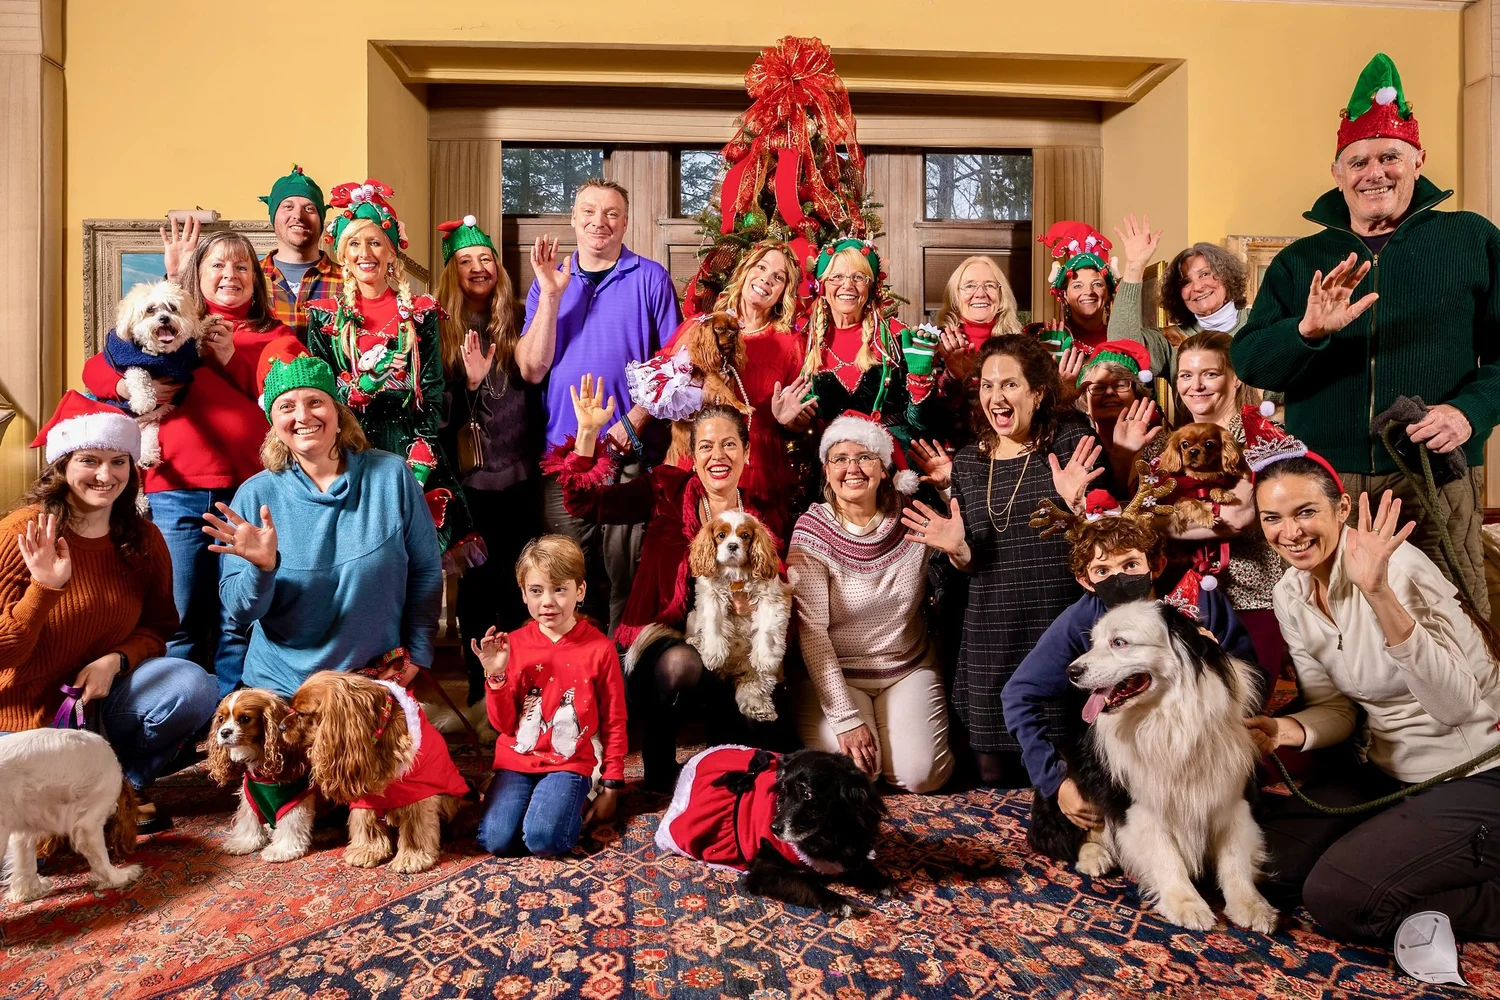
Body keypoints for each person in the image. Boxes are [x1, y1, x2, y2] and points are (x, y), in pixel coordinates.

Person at [1231, 53, 1500, 618]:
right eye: (1358, 161)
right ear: (1337, 172)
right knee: (1334, 627)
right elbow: (1251, 362)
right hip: (1324, 485)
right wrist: (1306, 332)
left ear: (1418, 160)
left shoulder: (1472, 240)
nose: (1374, 172)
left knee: (1451, 624)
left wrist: (1469, 412)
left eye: (1389, 156)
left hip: (1433, 476)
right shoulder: (1300, 261)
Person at [1241, 409, 1500, 944]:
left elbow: (1457, 707)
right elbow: (1337, 707)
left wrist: (1378, 594)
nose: (1290, 532)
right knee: (1260, 866)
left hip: (1474, 771)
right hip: (1389, 771)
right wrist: (1283, 730)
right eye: (1272, 518)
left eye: (1306, 512)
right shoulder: (1290, 592)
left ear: (1341, 509)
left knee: (1342, 899)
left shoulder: (1397, 568)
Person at [0, 392, 217, 831]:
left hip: (101, 705)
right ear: (62, 465)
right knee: (21, 851)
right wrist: (44, 588)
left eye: (118, 461)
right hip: (19, 718)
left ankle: (120, 789)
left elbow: (158, 628)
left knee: (194, 686)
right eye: (89, 461)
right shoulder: (20, 532)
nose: (106, 475)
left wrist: (115, 660)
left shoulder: (144, 539)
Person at [548, 377, 776, 789]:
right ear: (693, 454)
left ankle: (721, 766)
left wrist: (754, 607)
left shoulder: (760, 516)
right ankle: (659, 763)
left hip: (733, 643)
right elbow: (585, 504)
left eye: (729, 444)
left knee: (757, 722)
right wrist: (586, 436)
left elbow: (778, 588)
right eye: (706, 446)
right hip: (660, 640)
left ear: (746, 452)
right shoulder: (665, 488)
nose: (718, 455)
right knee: (681, 663)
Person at [900, 335, 1104, 787]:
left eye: (1010, 384)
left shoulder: (1071, 442)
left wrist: (1079, 507)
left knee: (1066, 767)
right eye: (988, 386)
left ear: (1038, 392)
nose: (997, 397)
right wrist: (957, 550)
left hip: (1058, 620)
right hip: (991, 626)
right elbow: (972, 560)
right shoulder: (969, 462)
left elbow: (1106, 539)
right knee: (992, 772)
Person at [1002, 487, 1255, 835]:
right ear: (1085, 580)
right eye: (1102, 570)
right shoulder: (1080, 619)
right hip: (1130, 752)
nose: (1118, 578)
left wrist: (1218, 660)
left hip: (1205, 745)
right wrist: (1054, 782)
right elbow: (1018, 694)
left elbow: (1252, 675)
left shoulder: (1200, 599)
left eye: (1130, 564)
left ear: (1156, 566)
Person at [81, 242, 269, 696]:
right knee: (179, 613)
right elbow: (95, 370)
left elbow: (287, 394)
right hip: (174, 487)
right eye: (217, 265)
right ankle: (182, 712)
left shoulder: (273, 335)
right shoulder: (177, 329)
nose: (230, 274)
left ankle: (236, 715)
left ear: (256, 279)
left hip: (246, 489)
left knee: (236, 618)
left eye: (241, 266)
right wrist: (124, 387)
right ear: (197, 279)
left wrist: (231, 357)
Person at [207, 340, 443, 697]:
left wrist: (418, 655)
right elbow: (241, 612)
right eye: (287, 406)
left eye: (315, 402)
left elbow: (425, 570)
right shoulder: (255, 496)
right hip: (282, 688)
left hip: (373, 680)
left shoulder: (391, 476)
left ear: (338, 411)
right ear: (273, 421)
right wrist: (262, 568)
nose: (303, 417)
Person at [517, 179, 681, 631]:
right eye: (588, 211)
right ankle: (573, 669)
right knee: (564, 577)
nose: (599, 221)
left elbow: (676, 364)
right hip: (564, 456)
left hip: (629, 453)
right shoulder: (548, 283)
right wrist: (551, 294)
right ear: (573, 218)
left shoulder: (650, 278)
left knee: (626, 578)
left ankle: (621, 666)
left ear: (625, 223)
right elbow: (531, 369)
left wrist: (635, 420)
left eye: (611, 213)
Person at [304, 178, 480, 566]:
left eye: (375, 242)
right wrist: (364, 385)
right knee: (357, 560)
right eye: (354, 243)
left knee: (415, 562)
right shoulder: (325, 317)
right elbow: (321, 391)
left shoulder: (420, 313)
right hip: (348, 447)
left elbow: (431, 388)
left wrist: (423, 451)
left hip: (409, 446)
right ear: (342, 253)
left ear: (391, 251)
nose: (365, 253)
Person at [789, 414, 953, 794]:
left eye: (864, 456)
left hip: (906, 666)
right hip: (837, 675)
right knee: (857, 775)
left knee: (922, 775)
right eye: (840, 459)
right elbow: (812, 633)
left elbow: (966, 538)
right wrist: (846, 719)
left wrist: (948, 490)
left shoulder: (912, 516)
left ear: (883, 469)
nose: (852, 468)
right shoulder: (811, 533)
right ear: (826, 470)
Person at [626, 241, 811, 532]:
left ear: (783, 292)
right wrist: (630, 425)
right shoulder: (700, 325)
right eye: (761, 267)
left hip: (757, 466)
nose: (766, 279)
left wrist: (790, 422)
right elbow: (660, 387)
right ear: (746, 271)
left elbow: (800, 422)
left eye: (778, 277)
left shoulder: (791, 344)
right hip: (696, 458)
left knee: (753, 552)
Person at [434, 216, 543, 705]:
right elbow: (436, 416)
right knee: (478, 588)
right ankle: (481, 693)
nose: (479, 268)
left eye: (486, 258)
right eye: (466, 261)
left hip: (522, 475)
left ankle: (522, 688)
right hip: (471, 483)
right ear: (451, 271)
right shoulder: (437, 327)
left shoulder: (519, 317)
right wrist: (470, 384)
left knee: (521, 583)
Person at [1134, 338, 1287, 683]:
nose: (1196, 385)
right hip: (1178, 596)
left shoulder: (1259, 436)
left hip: (1250, 595)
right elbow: (1138, 515)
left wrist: (1158, 520)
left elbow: (1236, 518)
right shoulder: (1164, 443)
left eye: (1210, 374)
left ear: (1235, 377)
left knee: (1248, 699)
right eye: (1186, 375)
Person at [473, 535, 627, 857]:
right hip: (517, 760)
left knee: (544, 840)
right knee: (496, 840)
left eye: (559, 589)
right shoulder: (512, 644)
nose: (548, 601)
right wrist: (496, 675)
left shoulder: (601, 649)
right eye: (536, 590)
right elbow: (503, 726)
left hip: (568, 762)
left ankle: (575, 796)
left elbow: (614, 719)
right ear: (523, 593)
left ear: (580, 591)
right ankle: (529, 799)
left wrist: (611, 785)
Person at [800, 237, 936, 457]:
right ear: (822, 286)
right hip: (834, 464)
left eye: (858, 277)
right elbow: (800, 428)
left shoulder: (895, 337)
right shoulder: (807, 343)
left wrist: (920, 378)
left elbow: (920, 423)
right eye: (836, 277)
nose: (847, 285)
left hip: (892, 461)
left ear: (871, 287)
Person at [1109, 215, 1252, 378]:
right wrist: (1134, 268)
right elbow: (1121, 350)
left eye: (1205, 274)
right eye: (1185, 282)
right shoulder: (1170, 340)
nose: (1197, 287)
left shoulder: (1260, 323)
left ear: (1227, 276)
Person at [932, 255, 1024, 442]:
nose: (980, 293)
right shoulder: (937, 344)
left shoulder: (1020, 347)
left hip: (1011, 448)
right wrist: (955, 378)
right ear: (955, 296)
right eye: (970, 286)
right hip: (952, 451)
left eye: (990, 285)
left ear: (1001, 294)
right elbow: (927, 416)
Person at [258, 165, 343, 337]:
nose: (298, 215)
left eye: (309, 208)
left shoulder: (349, 281)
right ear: (273, 216)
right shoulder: (250, 278)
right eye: (288, 207)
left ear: (321, 219)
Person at [1027, 221, 1118, 359]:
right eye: (1077, 286)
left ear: (1109, 293)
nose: (1088, 291)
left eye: (1097, 284)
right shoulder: (1046, 340)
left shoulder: (1120, 338)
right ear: (1065, 295)